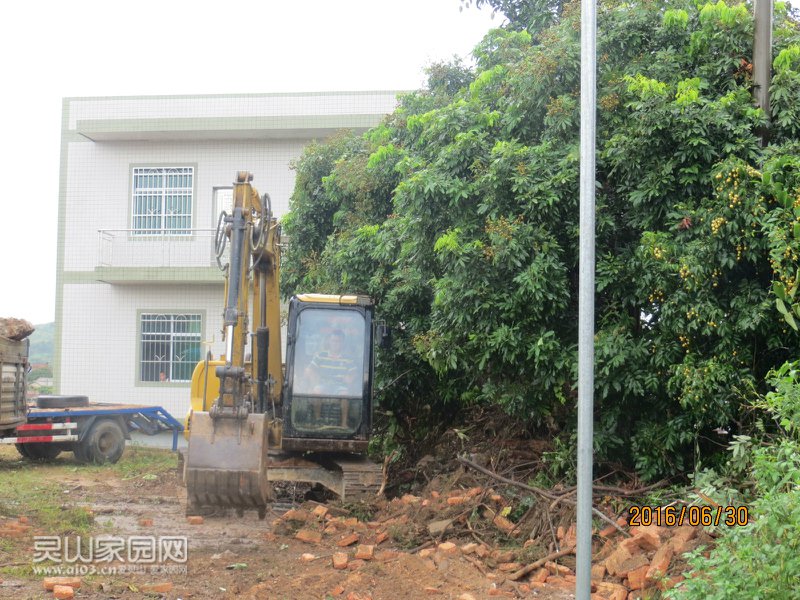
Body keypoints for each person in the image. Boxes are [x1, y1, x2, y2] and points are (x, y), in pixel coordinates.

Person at [305, 330, 358, 427]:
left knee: (345, 395)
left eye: (338, 341)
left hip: (340, 385)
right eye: (333, 341)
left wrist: (349, 378)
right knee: (316, 392)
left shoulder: (348, 358)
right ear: (329, 341)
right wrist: (313, 382)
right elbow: (309, 370)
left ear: (342, 343)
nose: (335, 343)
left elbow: (353, 373)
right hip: (323, 384)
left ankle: (343, 423)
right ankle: (318, 421)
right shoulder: (321, 355)